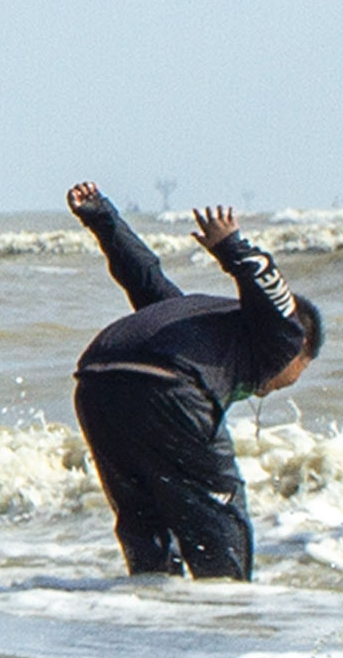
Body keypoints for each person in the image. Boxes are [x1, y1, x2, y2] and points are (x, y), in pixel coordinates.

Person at [63, 183, 321, 580]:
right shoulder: (283, 336)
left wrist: (102, 216)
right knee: (221, 532)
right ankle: (225, 620)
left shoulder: (185, 314)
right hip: (169, 388)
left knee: (144, 521)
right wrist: (232, 247)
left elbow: (142, 273)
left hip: (97, 384)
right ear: (301, 348)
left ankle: (150, 616)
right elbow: (277, 296)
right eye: (300, 369)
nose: (279, 385)